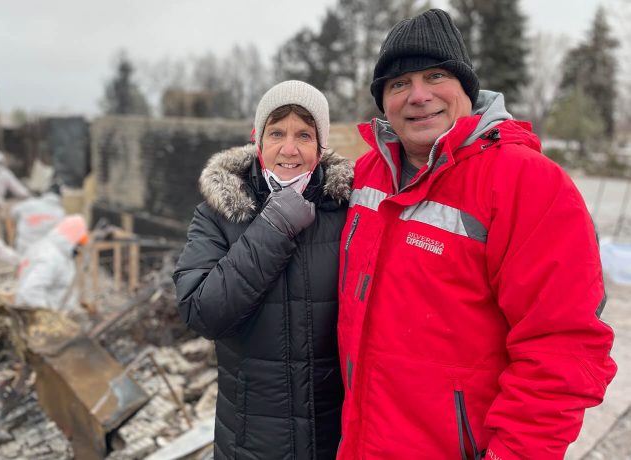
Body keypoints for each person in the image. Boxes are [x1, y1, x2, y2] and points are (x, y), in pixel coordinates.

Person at [336, 9, 617, 459]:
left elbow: (564, 351)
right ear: (383, 100)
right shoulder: (365, 176)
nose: (418, 95)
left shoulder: (527, 183)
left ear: (466, 88)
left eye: (435, 76)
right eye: (399, 83)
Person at [173, 80, 352, 459]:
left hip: (335, 440)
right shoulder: (218, 214)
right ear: (258, 140)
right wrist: (274, 227)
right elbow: (202, 312)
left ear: (320, 146)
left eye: (304, 134)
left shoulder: (348, 211)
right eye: (277, 133)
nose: (289, 149)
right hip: (250, 443)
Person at [15, 214, 88, 312]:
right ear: (72, 240)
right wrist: (49, 318)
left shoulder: (60, 253)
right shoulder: (49, 257)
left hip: (57, 313)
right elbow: (30, 290)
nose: (80, 248)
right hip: (38, 319)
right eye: (79, 243)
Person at [9, 184, 65, 253]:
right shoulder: (60, 212)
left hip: (23, 246)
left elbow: (12, 213)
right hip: (44, 250)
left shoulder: (29, 203)